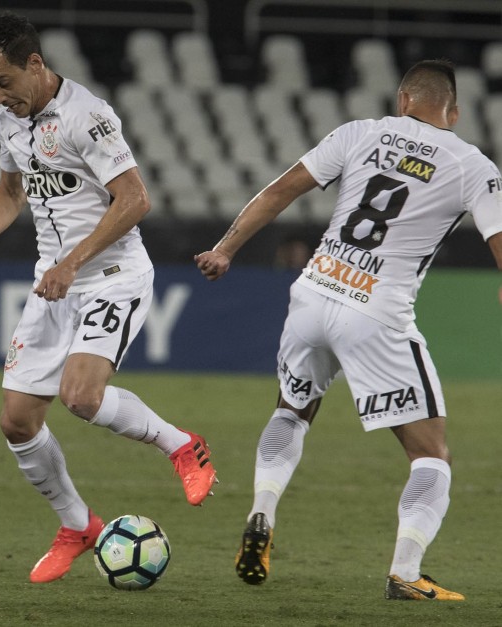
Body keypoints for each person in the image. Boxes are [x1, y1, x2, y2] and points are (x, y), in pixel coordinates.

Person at [195, 59, 502, 600]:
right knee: (431, 453)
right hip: (376, 312)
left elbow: (278, 191)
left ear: (404, 99)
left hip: (314, 292)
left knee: (291, 413)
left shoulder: (359, 132)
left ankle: (261, 512)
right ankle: (405, 571)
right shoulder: (472, 164)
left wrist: (225, 248)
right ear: (452, 111)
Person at [0, 13, 217, 584]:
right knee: (17, 422)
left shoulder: (87, 116)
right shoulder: (9, 119)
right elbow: (13, 187)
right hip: (55, 281)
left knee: (80, 395)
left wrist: (73, 262)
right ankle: (78, 526)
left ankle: (183, 446)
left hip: (112, 274)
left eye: (3, 82)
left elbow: (135, 199)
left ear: (36, 64)